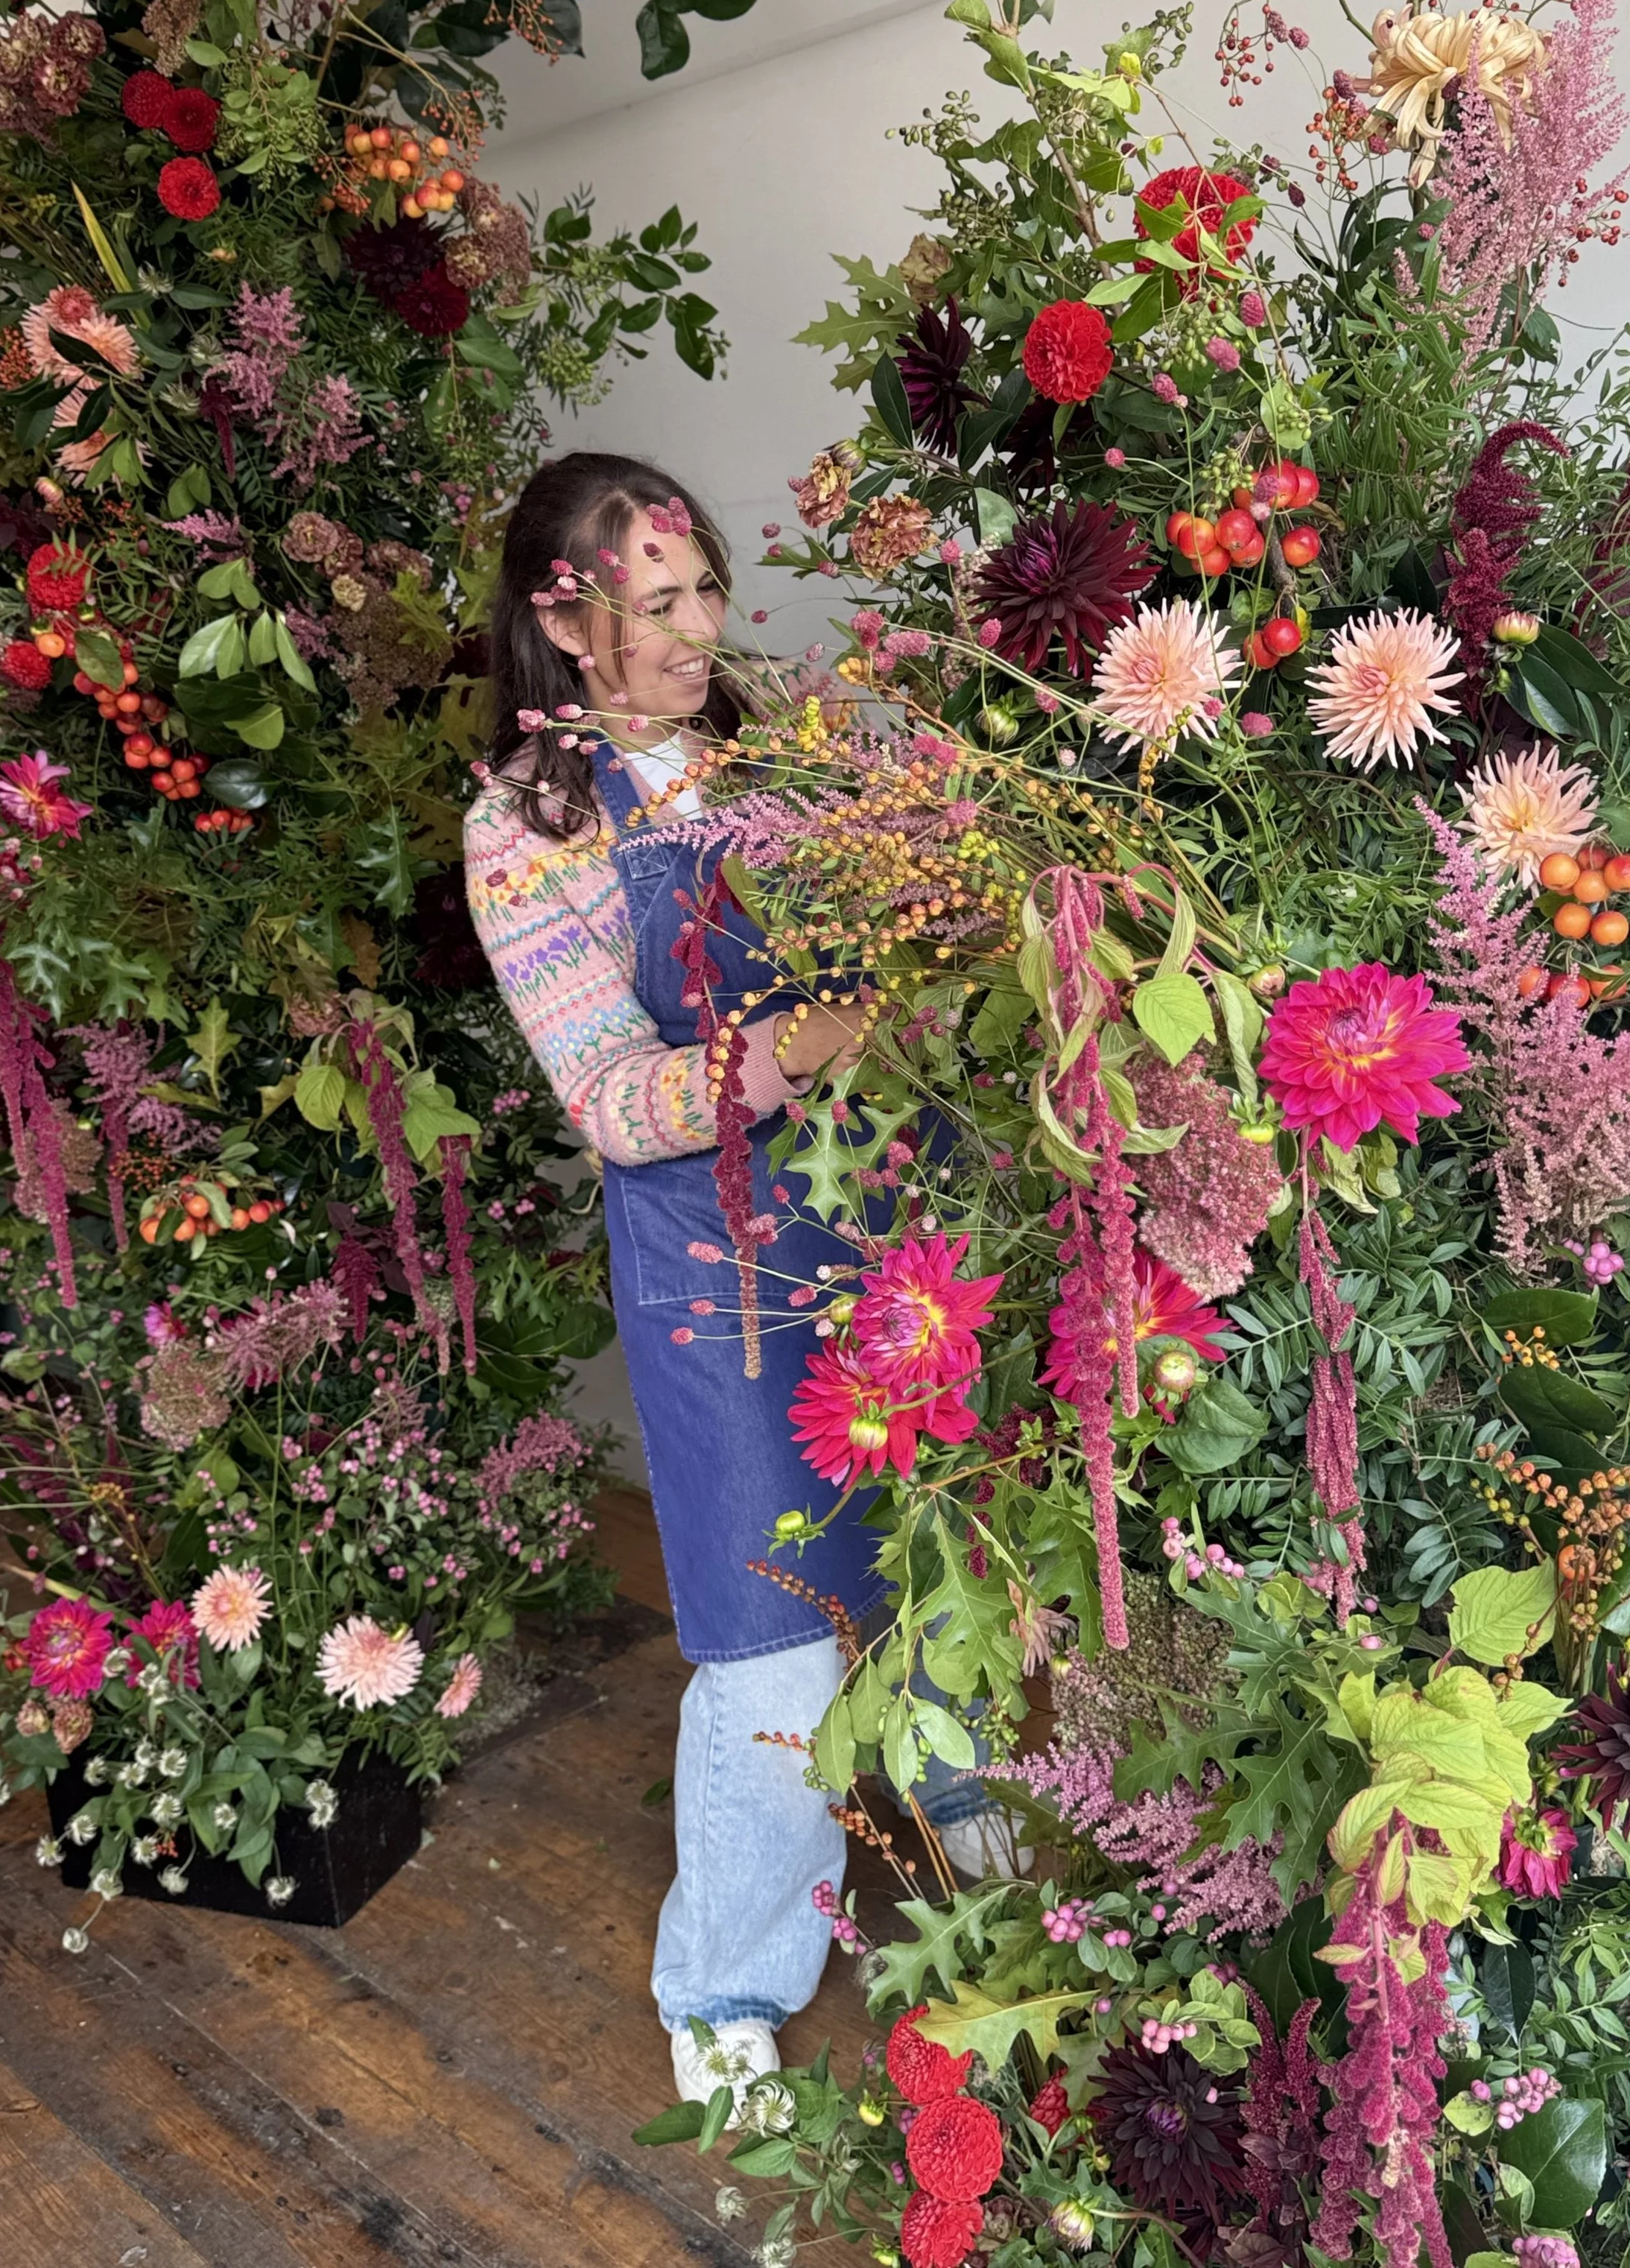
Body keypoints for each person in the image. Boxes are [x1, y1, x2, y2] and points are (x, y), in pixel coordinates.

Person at [464, 453, 1011, 2102]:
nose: (704, 628)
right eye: (661, 602)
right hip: (724, 1259)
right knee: (776, 1629)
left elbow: (919, 907)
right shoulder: (529, 831)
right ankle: (726, 1982)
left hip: (890, 1208)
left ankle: (971, 1840)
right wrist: (808, 1040)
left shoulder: (783, 746)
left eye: (707, 586)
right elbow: (612, 1099)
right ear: (567, 623)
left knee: (943, 1555)